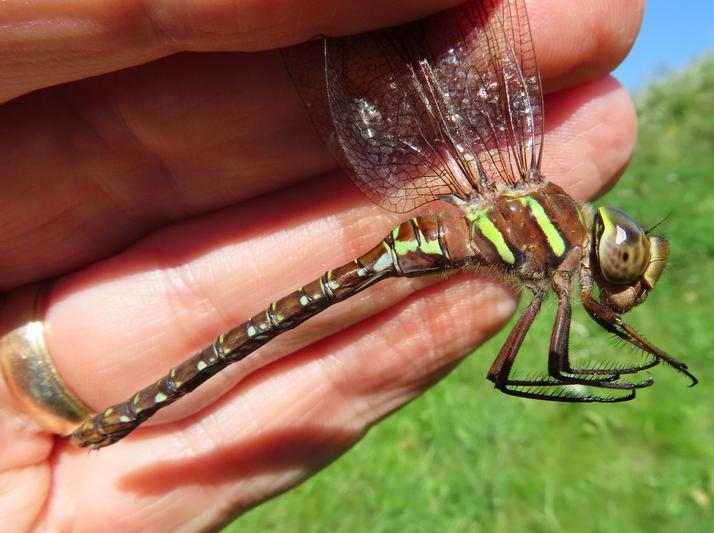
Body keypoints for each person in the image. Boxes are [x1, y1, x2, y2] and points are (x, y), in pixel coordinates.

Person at [0, 0, 643, 529]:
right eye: (624, 255)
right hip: (434, 231)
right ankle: (119, 415)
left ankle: (102, 417)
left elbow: (542, 356)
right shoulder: (552, 255)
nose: (623, 266)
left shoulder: (550, 253)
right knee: (253, 334)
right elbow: (543, 366)